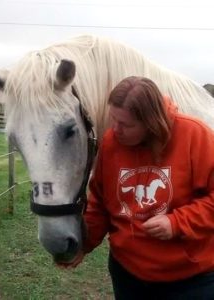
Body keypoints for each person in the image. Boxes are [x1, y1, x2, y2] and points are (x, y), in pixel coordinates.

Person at [68, 76, 214, 299]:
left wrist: (176, 222)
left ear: (150, 122)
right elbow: (100, 201)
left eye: (126, 124)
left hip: (191, 280)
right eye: (113, 119)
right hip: (128, 275)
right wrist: (84, 244)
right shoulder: (111, 142)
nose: (116, 129)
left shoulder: (196, 136)